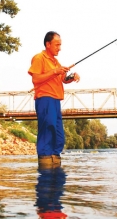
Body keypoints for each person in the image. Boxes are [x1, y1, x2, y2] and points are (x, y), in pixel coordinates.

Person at [28, 31, 80, 167]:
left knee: (58, 133)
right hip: (45, 98)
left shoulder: (56, 62)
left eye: (60, 45)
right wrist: (55, 71)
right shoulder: (39, 58)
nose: (59, 48)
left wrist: (72, 76)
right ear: (48, 44)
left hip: (56, 100)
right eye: (57, 45)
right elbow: (36, 79)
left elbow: (63, 79)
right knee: (48, 126)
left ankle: (55, 160)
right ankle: (45, 160)